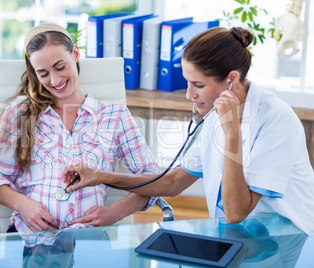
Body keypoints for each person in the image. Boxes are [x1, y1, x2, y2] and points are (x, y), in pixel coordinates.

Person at [63, 27, 314, 237]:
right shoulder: (216, 115)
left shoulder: (276, 120)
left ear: (231, 79)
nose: (189, 94)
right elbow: (172, 183)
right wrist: (100, 176)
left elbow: (236, 213)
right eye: (187, 82)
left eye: (198, 85)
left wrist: (232, 136)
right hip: (239, 239)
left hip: (287, 242)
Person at [0, 23, 159, 233]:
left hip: (88, 239)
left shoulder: (114, 115)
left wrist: (116, 212)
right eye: (43, 73)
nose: (55, 80)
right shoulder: (20, 111)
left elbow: (152, 177)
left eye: (60, 67)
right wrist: (24, 206)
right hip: (31, 237)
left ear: (75, 53)